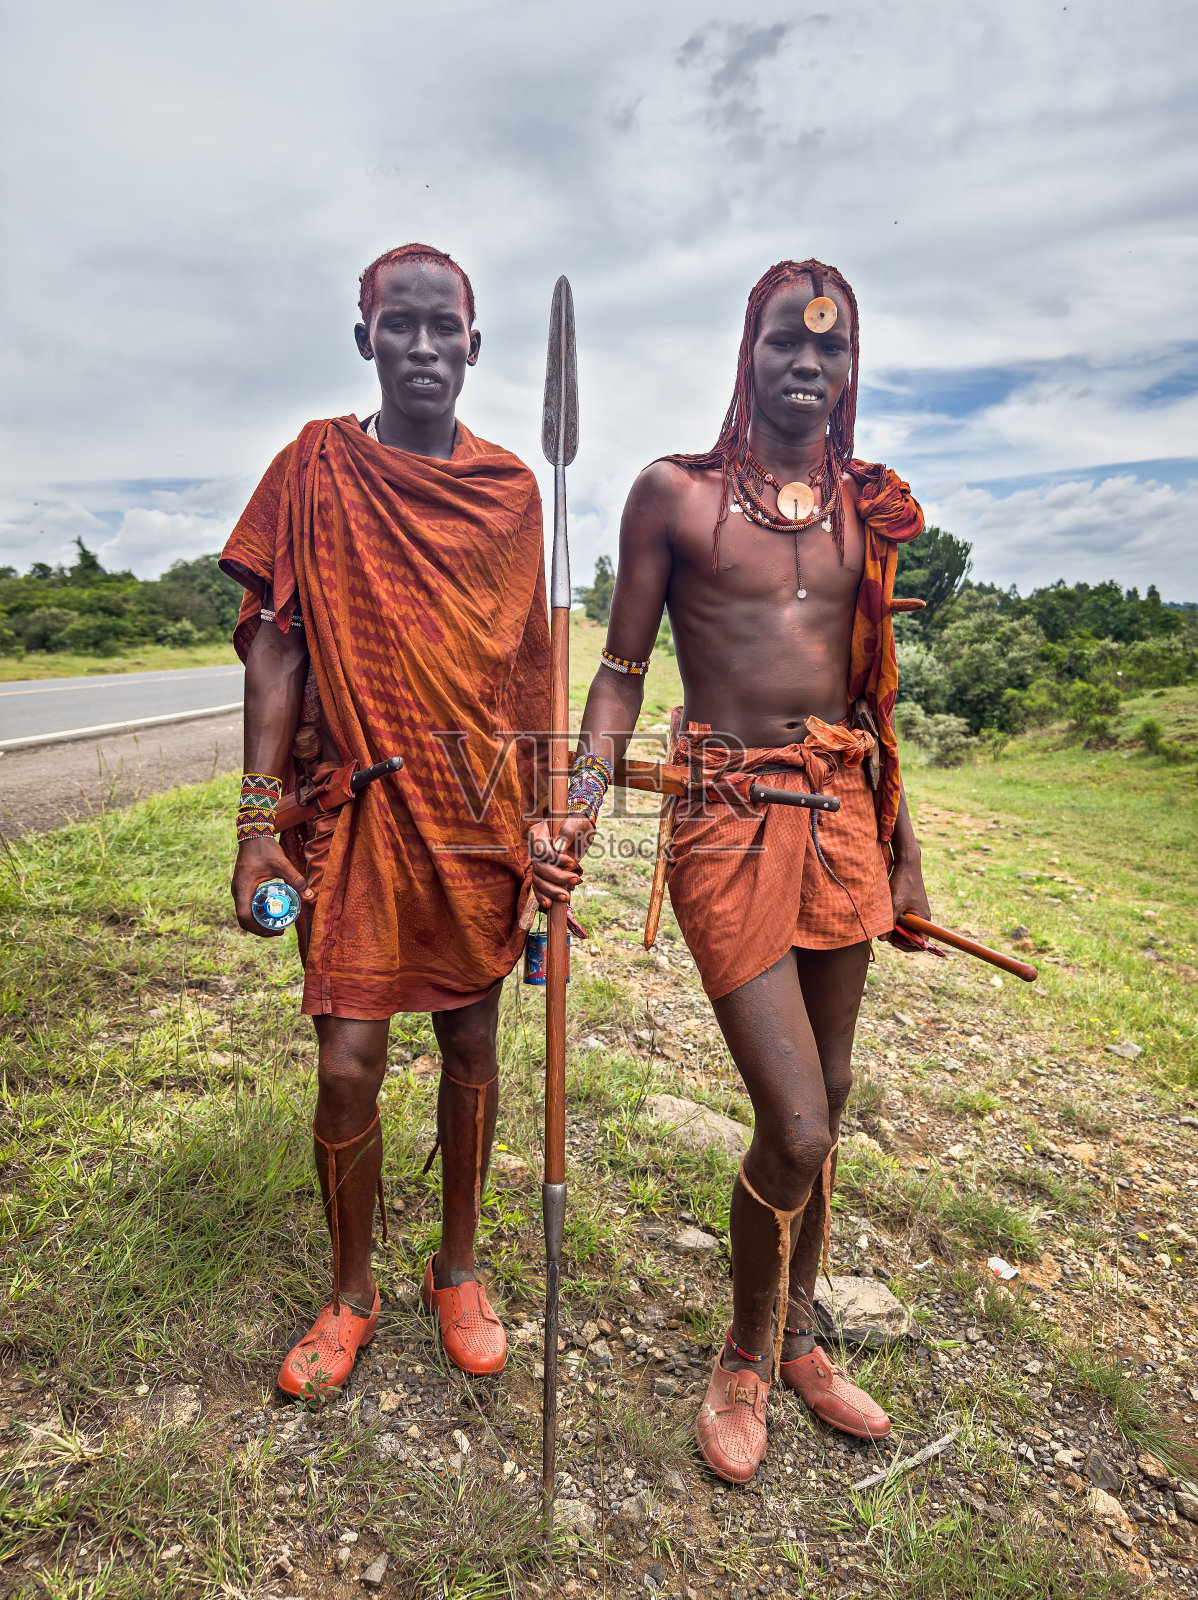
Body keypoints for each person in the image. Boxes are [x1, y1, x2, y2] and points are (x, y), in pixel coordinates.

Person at [530, 259, 931, 1483]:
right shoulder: (676, 498)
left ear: (850, 369)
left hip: (841, 816)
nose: (807, 366)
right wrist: (578, 807)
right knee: (795, 1122)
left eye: (831, 349)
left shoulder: (867, 511)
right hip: (726, 820)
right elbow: (617, 673)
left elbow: (872, 689)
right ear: (745, 355)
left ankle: (804, 1333)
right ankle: (745, 1353)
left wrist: (905, 854)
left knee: (835, 1093)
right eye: (782, 344)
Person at [220, 243, 548, 1400]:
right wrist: (259, 821)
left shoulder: (511, 491)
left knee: (471, 1042)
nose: (421, 345)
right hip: (352, 812)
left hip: (475, 815)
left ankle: (456, 1264)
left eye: (440, 325)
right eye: (395, 324)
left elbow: (530, 674)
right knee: (348, 1061)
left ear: (475, 341)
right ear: (365, 338)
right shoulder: (312, 469)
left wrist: (550, 816)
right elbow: (276, 646)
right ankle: (352, 1285)